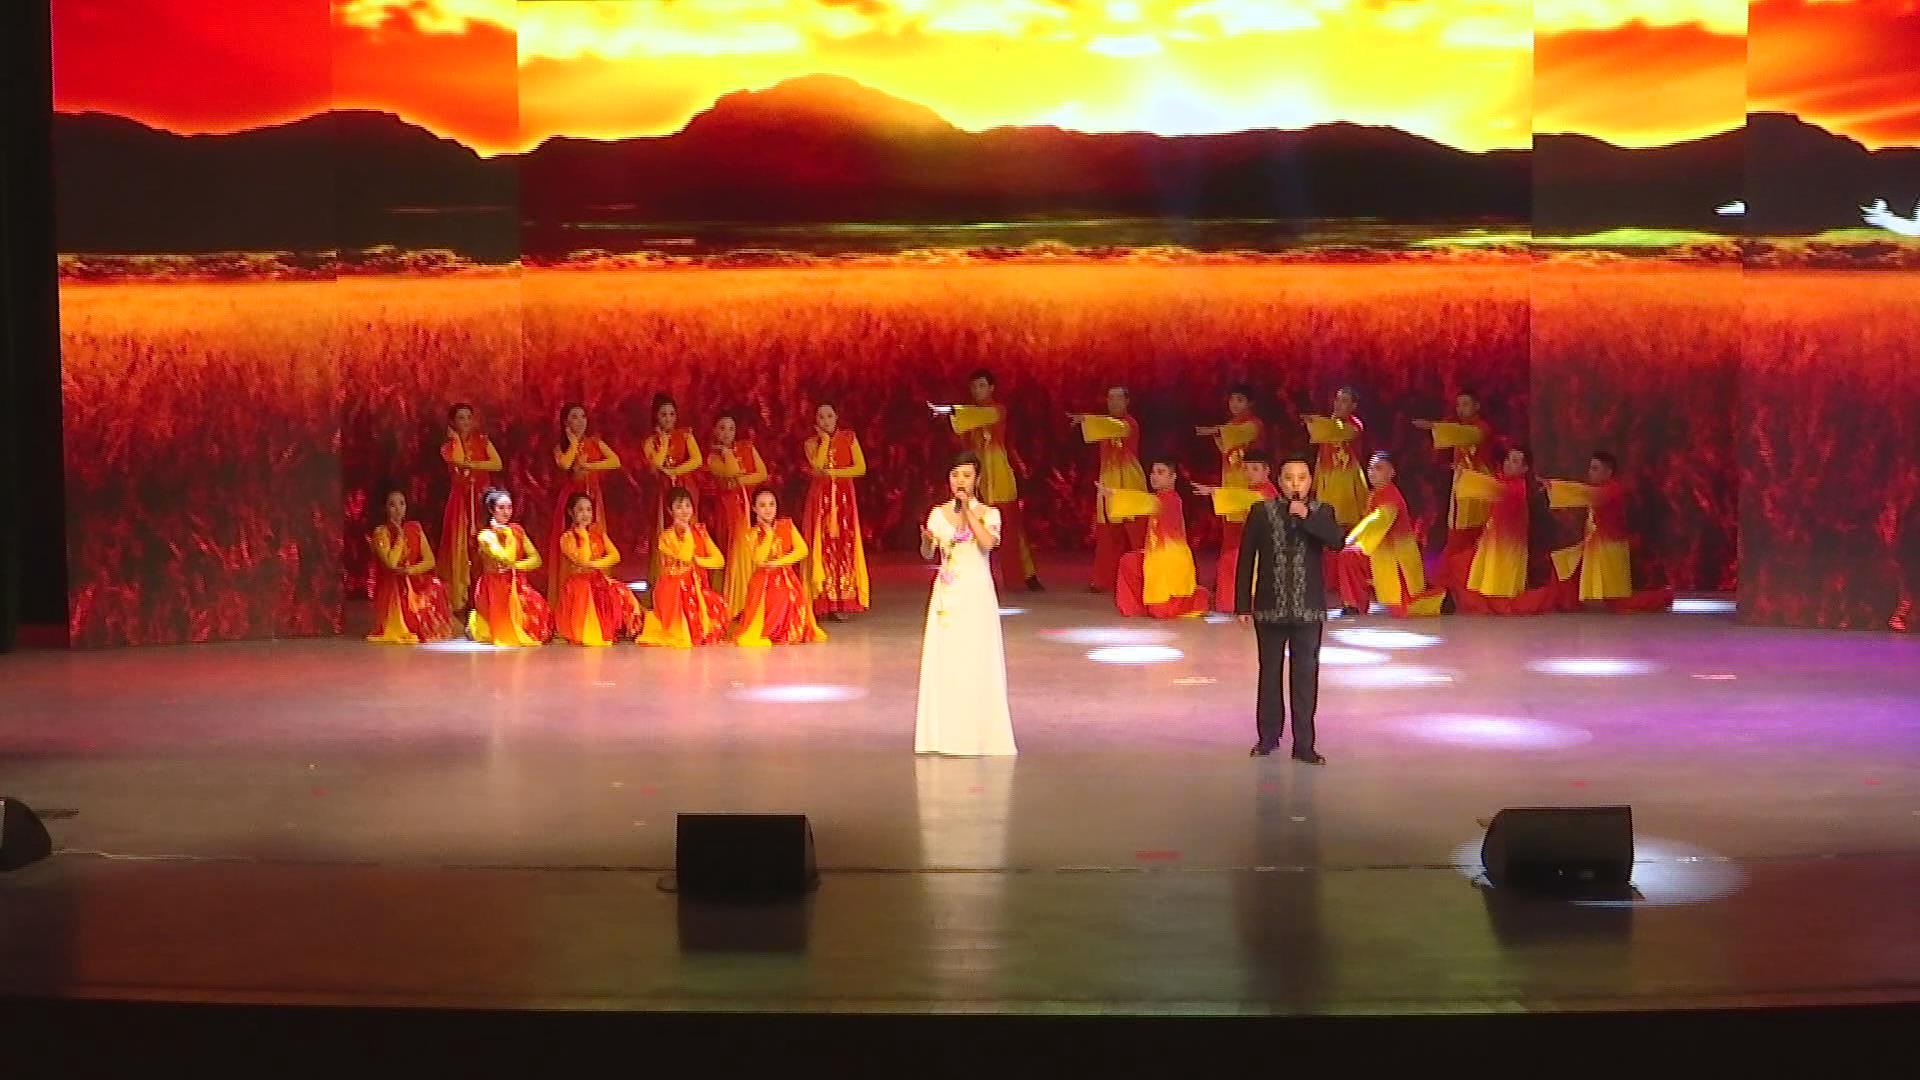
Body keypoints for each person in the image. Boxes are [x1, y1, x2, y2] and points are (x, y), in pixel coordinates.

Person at [1235, 456, 1344, 763]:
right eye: (1289, 478)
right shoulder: (1262, 511)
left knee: (1305, 676)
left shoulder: (1322, 511)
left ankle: (1304, 745)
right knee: (1269, 674)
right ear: (1279, 481)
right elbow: (1247, 558)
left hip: (1308, 610)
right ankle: (1268, 738)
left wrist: (1306, 516)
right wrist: (1242, 604)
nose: (1295, 484)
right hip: (1270, 607)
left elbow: (1337, 541)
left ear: (1310, 480)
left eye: (1302, 477)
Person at [914, 452, 1017, 757]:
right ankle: (943, 736)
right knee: (948, 661)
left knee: (976, 659)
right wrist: (926, 541)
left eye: (967, 476)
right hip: (947, 598)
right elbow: (927, 553)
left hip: (977, 595)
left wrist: (968, 511)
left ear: (977, 480)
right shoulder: (937, 514)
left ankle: (979, 735)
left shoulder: (990, 514)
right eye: (955, 475)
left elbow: (987, 544)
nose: (960, 481)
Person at [939, 368, 1042, 592]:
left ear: (991, 388)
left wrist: (953, 410)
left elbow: (978, 416)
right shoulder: (968, 415)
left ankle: (1025, 575)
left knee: (1010, 526)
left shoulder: (997, 410)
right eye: (974, 387)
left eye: (982, 386)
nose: (978, 391)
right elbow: (961, 435)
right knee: (970, 522)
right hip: (978, 477)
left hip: (999, 475)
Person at [1334, 453, 1445, 617]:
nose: (1372, 472)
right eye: (1370, 468)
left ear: (1392, 472)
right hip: (1380, 550)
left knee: (1406, 608)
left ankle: (1442, 601)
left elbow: (1379, 520)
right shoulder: (1376, 493)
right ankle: (1354, 604)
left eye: (1378, 468)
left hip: (1395, 556)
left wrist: (1356, 538)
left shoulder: (1390, 495)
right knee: (1349, 556)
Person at [1101, 458, 1211, 618]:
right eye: (1153, 472)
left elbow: (1146, 502)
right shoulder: (1159, 498)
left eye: (1160, 472)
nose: (1154, 476)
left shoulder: (1171, 499)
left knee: (1161, 612)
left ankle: (1198, 598)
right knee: (1129, 561)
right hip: (1155, 556)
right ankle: (1137, 607)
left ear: (1173, 477)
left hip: (1171, 560)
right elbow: (1147, 502)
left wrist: (1115, 494)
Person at [1073, 386, 1149, 592]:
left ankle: (1146, 579)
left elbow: (1116, 426)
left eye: (1118, 398)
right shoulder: (1103, 426)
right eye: (1110, 398)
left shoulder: (1130, 424)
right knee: (1108, 535)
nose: (1114, 402)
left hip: (1130, 484)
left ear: (1127, 401)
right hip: (1109, 482)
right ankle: (1103, 580)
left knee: (1137, 535)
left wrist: (1086, 419)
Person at [636, 488, 731, 648]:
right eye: (679, 507)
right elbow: (685, 556)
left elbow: (719, 561)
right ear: (670, 511)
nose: (684, 511)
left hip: (695, 587)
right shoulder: (666, 537)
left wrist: (698, 560)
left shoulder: (700, 532)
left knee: (718, 605)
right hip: (673, 589)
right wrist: (687, 533)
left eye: (687, 506)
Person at [802, 402, 870, 620]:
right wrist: (824, 441)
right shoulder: (811, 443)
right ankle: (823, 599)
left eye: (829, 416)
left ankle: (842, 600)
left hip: (844, 500)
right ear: (815, 421)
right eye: (821, 417)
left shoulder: (849, 438)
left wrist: (833, 474)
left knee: (844, 545)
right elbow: (817, 466)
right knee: (822, 545)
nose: (825, 421)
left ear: (836, 417)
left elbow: (860, 468)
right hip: (820, 501)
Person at [734, 488, 827, 647]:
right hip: (763, 582)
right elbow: (759, 559)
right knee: (773, 599)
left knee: (787, 594)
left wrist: (780, 562)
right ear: (754, 508)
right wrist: (769, 535)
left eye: (772, 504)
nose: (768, 509)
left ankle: (786, 630)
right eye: (762, 505)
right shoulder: (752, 533)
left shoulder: (787, 525)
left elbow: (802, 550)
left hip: (786, 577)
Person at [548, 403, 623, 597]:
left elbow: (615, 461)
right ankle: (569, 591)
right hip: (571, 499)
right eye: (574, 417)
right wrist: (573, 443)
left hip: (592, 497)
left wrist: (589, 466)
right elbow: (565, 464)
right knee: (572, 542)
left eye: (583, 417)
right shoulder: (561, 447)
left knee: (597, 538)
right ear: (565, 422)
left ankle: (598, 588)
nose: (580, 421)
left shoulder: (595, 442)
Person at [366, 489, 457, 644]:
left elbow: (430, 561)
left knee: (436, 585)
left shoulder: (415, 528)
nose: (398, 509)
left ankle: (422, 625)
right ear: (385, 508)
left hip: (412, 578)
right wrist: (400, 536)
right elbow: (391, 563)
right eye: (392, 505)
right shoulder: (381, 532)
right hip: (392, 586)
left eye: (402, 504)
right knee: (398, 591)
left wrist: (411, 570)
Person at [1195, 448, 1279, 613]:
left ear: (1267, 470)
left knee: (1232, 561)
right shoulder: (1253, 491)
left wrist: (1213, 491)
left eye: (1255, 469)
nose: (1249, 473)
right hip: (1257, 546)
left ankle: (1235, 604)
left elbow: (1246, 498)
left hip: (1267, 549)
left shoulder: (1266, 492)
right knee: (1230, 560)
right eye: (1246, 469)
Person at [553, 493, 643, 646]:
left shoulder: (598, 533)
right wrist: (583, 535)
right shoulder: (567, 537)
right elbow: (582, 560)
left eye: (589, 510)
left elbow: (615, 556)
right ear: (571, 512)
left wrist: (595, 564)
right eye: (580, 510)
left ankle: (628, 630)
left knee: (623, 592)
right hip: (579, 585)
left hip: (597, 579)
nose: (585, 514)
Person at [438, 402, 503, 611]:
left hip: (482, 499)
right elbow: (457, 461)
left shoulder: (482, 441)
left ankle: (485, 595)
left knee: (483, 545)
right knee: (461, 547)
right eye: (461, 418)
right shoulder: (448, 446)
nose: (466, 422)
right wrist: (457, 440)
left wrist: (473, 465)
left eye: (468, 417)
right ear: (453, 422)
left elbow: (497, 464)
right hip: (460, 502)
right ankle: (461, 598)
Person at [1545, 450, 1633, 603]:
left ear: (1608, 472)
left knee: (1617, 598)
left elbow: (1586, 494)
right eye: (1591, 468)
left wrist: (1555, 487)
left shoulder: (1612, 490)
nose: (1590, 472)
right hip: (1597, 543)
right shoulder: (1600, 490)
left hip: (1610, 545)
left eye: (1595, 468)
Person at [468, 488, 551, 646]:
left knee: (538, 614)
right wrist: (509, 536)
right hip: (494, 587)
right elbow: (506, 558)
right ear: (492, 510)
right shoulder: (486, 536)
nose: (506, 512)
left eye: (509, 507)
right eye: (501, 508)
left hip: (516, 583)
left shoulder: (517, 530)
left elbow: (536, 559)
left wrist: (516, 566)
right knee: (504, 630)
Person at [705, 412, 770, 614]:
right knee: (734, 551)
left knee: (750, 550)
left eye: (731, 429)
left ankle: (749, 601)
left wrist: (740, 480)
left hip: (749, 507)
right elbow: (731, 471)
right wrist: (726, 452)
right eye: (722, 428)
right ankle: (733, 603)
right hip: (728, 510)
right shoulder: (713, 457)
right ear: (715, 431)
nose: (727, 433)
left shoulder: (747, 448)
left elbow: (762, 473)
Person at [642, 393, 703, 587]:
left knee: (687, 525)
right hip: (663, 490)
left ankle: (690, 576)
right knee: (664, 528)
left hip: (685, 486)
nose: (668, 418)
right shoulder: (651, 442)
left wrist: (675, 471)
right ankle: (665, 578)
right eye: (663, 415)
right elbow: (656, 465)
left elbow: (697, 460)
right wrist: (665, 442)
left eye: (671, 414)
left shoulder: (685, 435)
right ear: (656, 417)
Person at [1302, 387, 1368, 530]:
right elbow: (1321, 455)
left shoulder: (1354, 426)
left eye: (1344, 401)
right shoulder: (1330, 423)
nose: (1338, 404)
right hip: (1327, 481)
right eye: (1337, 399)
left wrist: (1314, 421)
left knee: (1344, 525)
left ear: (1353, 406)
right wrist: (1315, 485)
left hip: (1347, 483)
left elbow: (1335, 431)